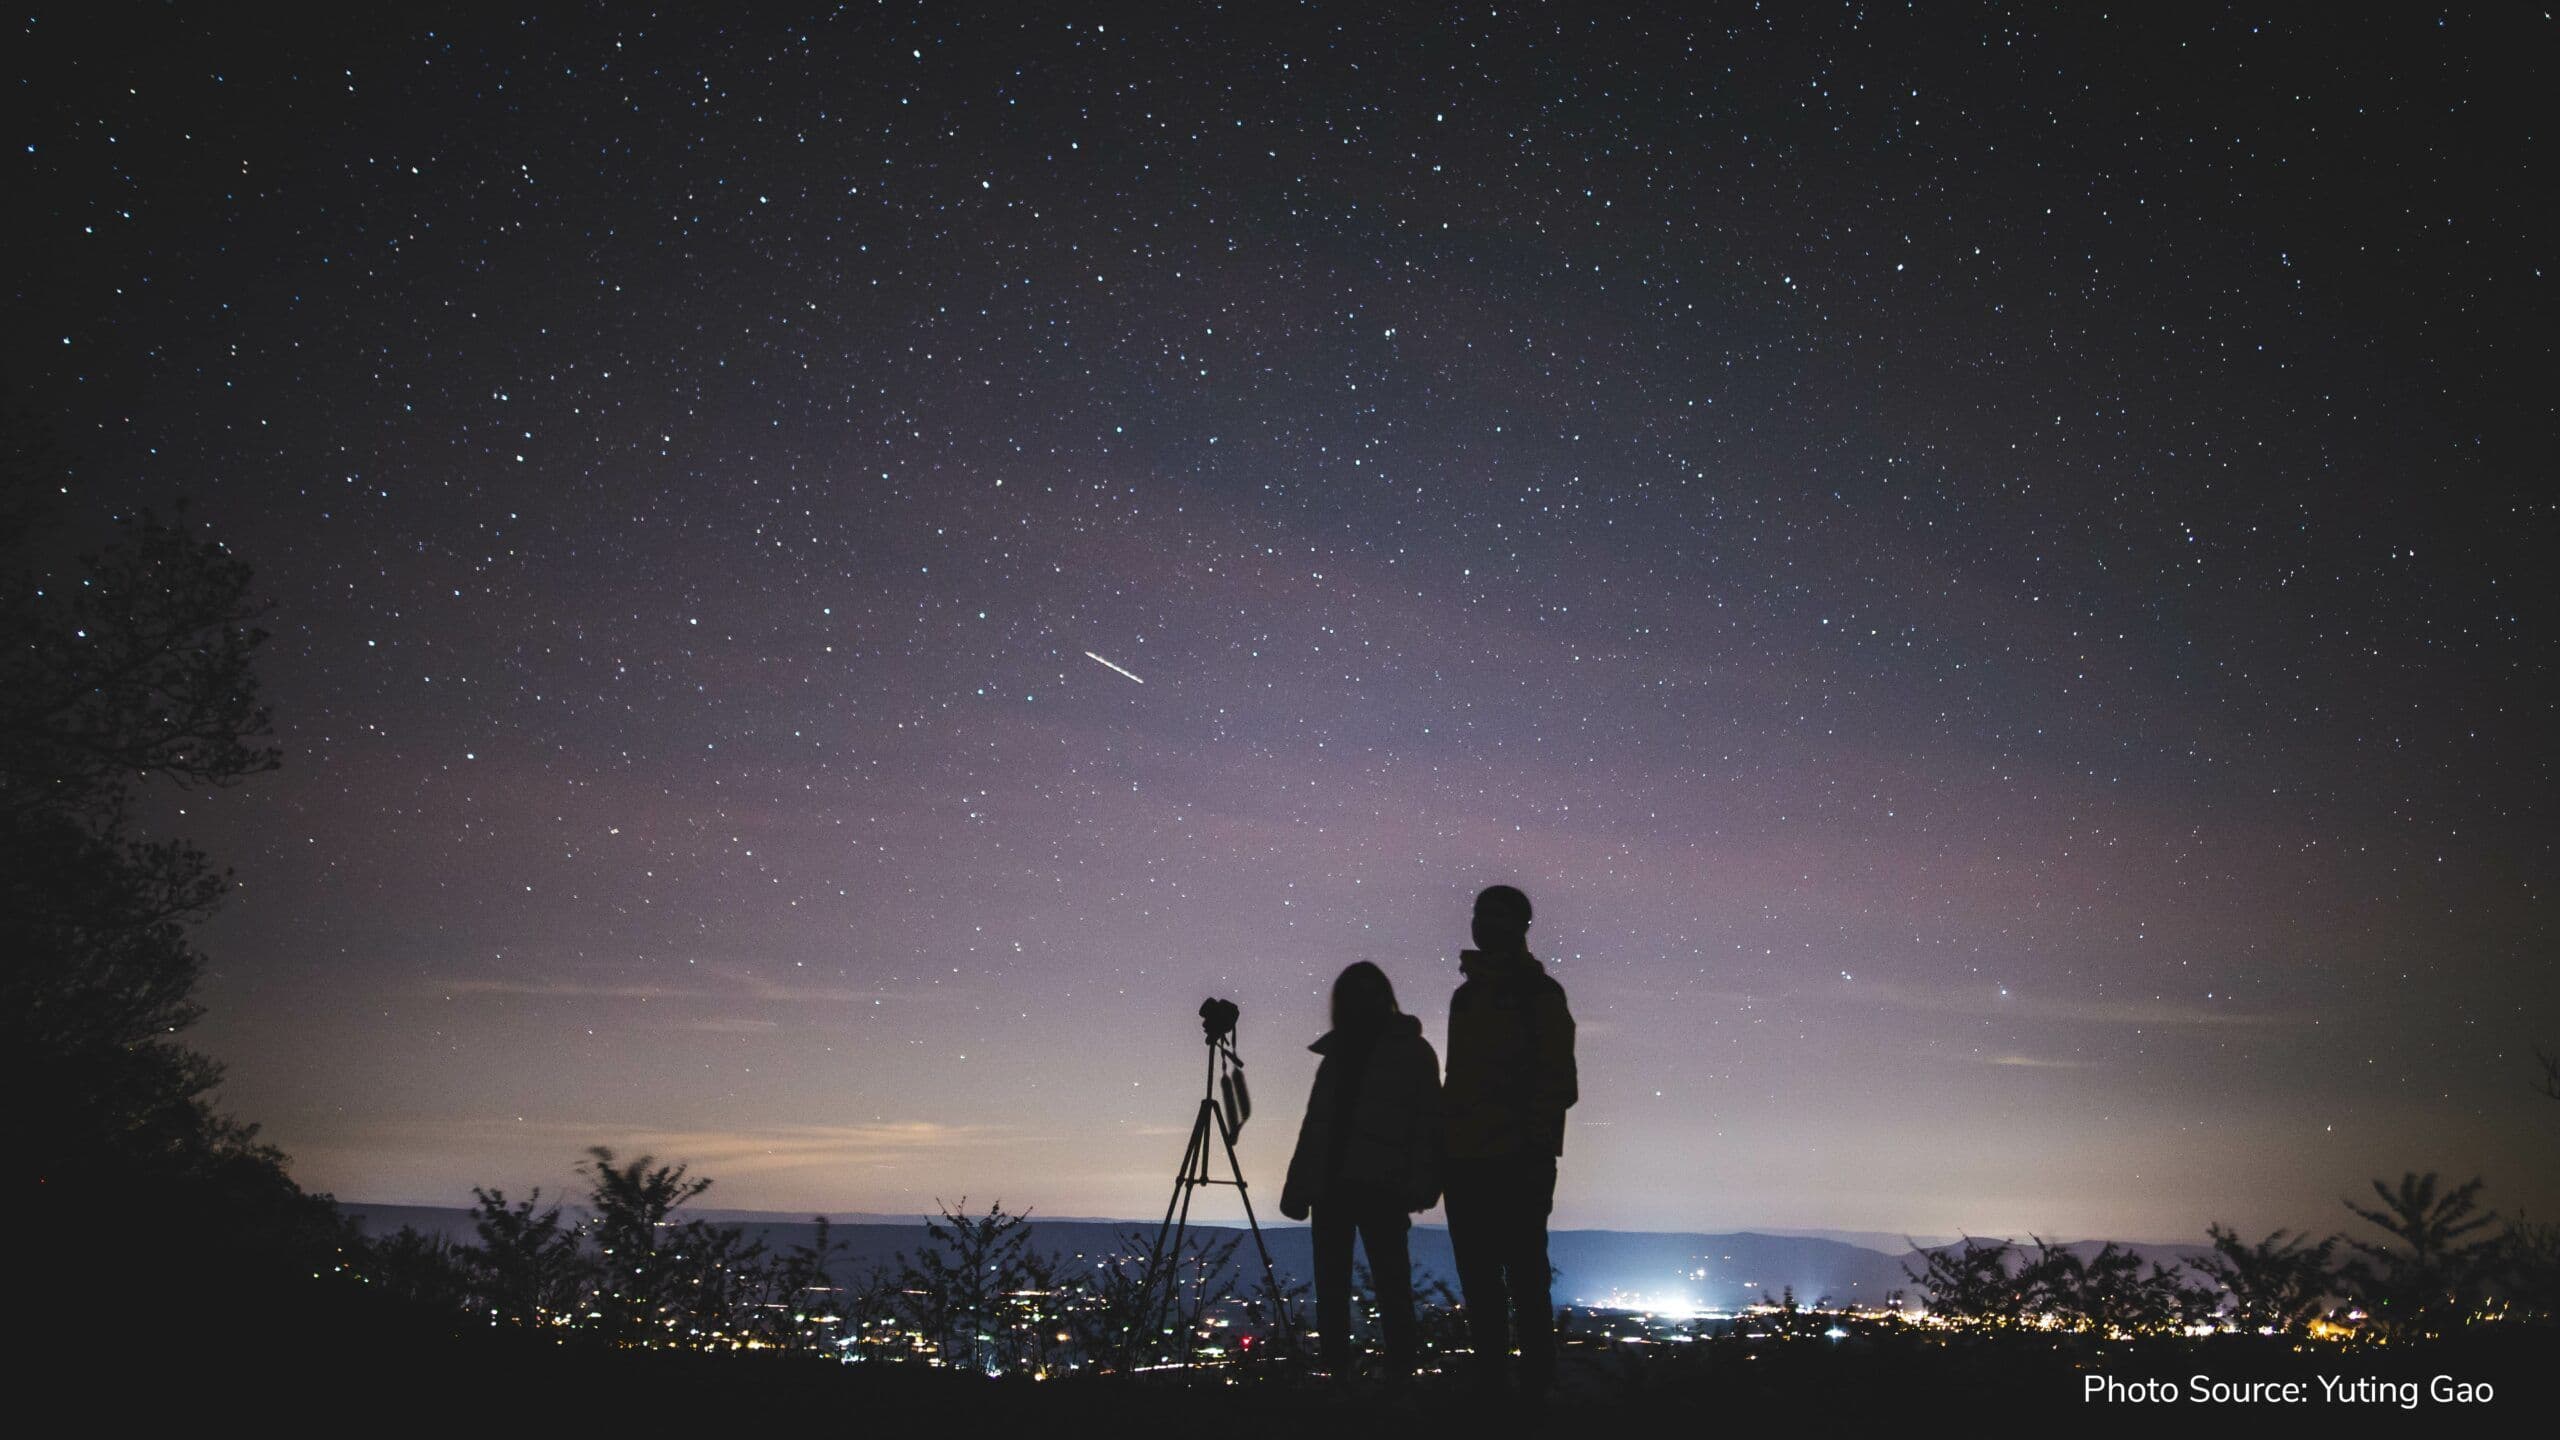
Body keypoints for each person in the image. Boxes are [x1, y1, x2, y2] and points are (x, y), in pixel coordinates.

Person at [1440, 884, 1576, 1402]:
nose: (1483, 924)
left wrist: (1531, 1143)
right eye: (1480, 914)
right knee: (1480, 1278)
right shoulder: (1467, 997)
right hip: (1467, 1158)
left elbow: (1559, 1081)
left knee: (1524, 1276)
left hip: (1517, 1159)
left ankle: (1535, 1387)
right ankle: (1494, 1385)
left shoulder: (1539, 995)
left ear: (1521, 925)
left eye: (1496, 916)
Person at [1279, 961, 1442, 1380]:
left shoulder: (1408, 1052)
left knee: (1388, 1285)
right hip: (1336, 1186)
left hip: (1379, 1185)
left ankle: (1395, 1377)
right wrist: (1298, 1187)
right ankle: (1345, 1375)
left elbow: (1428, 1123)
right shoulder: (1341, 1055)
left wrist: (1423, 1182)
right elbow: (1316, 1127)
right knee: (1339, 1287)